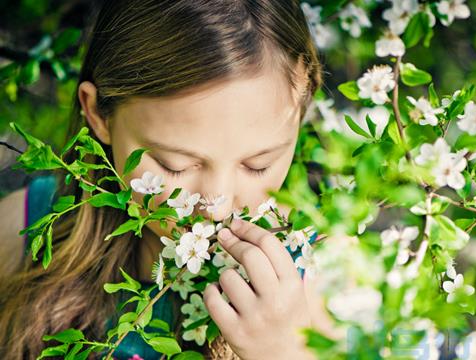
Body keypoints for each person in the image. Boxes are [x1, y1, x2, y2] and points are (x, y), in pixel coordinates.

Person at [0, 1, 332, 359]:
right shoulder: (27, 233)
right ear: (98, 114)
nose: (217, 206)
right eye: (175, 165)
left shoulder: (326, 278)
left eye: (257, 164)